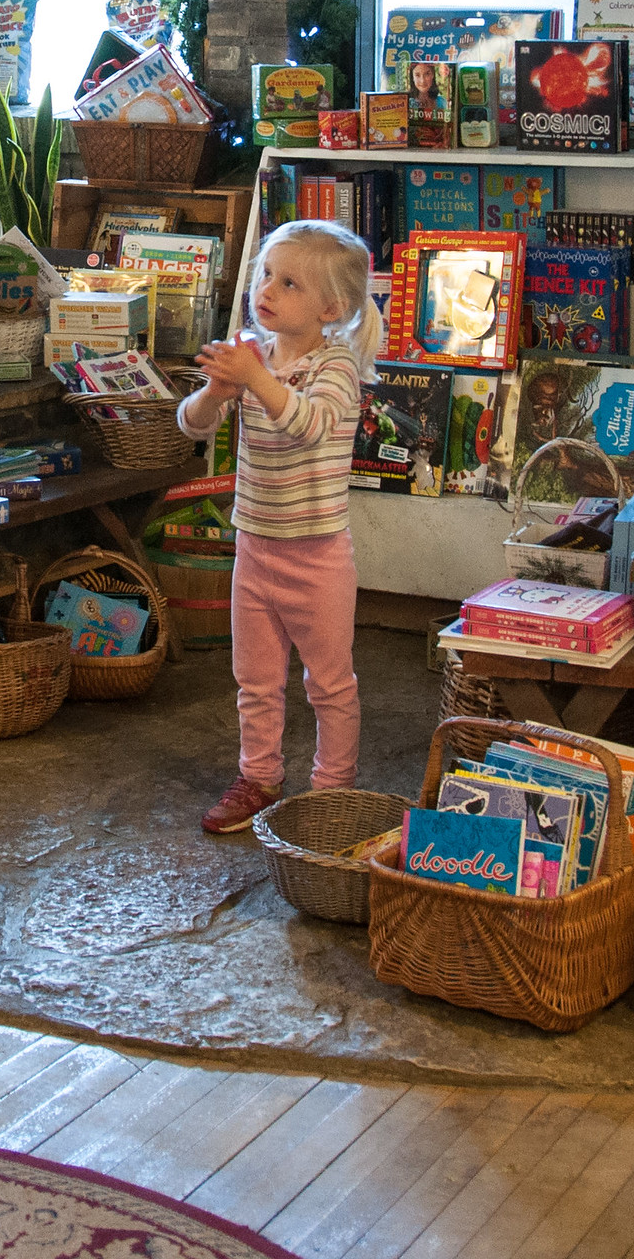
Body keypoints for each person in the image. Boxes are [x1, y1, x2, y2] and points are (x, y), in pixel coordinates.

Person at [176, 219, 373, 834]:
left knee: (329, 683)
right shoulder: (250, 354)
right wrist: (215, 391)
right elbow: (192, 424)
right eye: (266, 274)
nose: (267, 289)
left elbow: (310, 426)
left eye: (289, 283)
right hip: (255, 549)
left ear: (330, 309)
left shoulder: (334, 365)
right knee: (255, 679)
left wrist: (255, 379)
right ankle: (258, 776)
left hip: (316, 557)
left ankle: (331, 791)